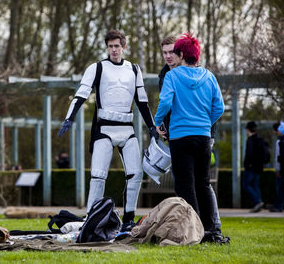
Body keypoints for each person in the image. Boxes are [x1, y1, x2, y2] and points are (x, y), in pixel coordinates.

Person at [58, 29, 157, 232]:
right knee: (98, 175)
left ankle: (129, 218)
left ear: (124, 47)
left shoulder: (134, 69)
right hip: (104, 128)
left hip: (127, 128)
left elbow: (142, 102)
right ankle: (91, 217)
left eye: (117, 46)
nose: (114, 49)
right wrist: (69, 118)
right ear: (107, 47)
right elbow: (81, 94)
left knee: (136, 174)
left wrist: (153, 127)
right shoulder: (97, 68)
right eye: (110, 46)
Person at [154, 33, 225, 243]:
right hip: (203, 137)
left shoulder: (172, 76)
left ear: (182, 54)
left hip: (180, 137)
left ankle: (195, 230)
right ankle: (212, 229)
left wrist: (159, 122)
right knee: (203, 183)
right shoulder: (209, 76)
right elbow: (219, 108)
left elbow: (165, 103)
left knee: (185, 185)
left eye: (176, 52)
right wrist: (204, 122)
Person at [243, 121, 265, 213]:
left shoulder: (250, 140)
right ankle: (258, 204)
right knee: (255, 185)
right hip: (259, 166)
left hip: (251, 166)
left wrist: (246, 164)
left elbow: (249, 154)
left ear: (248, 129)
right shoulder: (260, 139)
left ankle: (257, 202)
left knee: (246, 185)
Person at [270, 122, 284, 212]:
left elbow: (278, 156)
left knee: (281, 189)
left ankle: (278, 206)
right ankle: (278, 205)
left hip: (282, 168)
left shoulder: (280, 142)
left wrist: (278, 169)